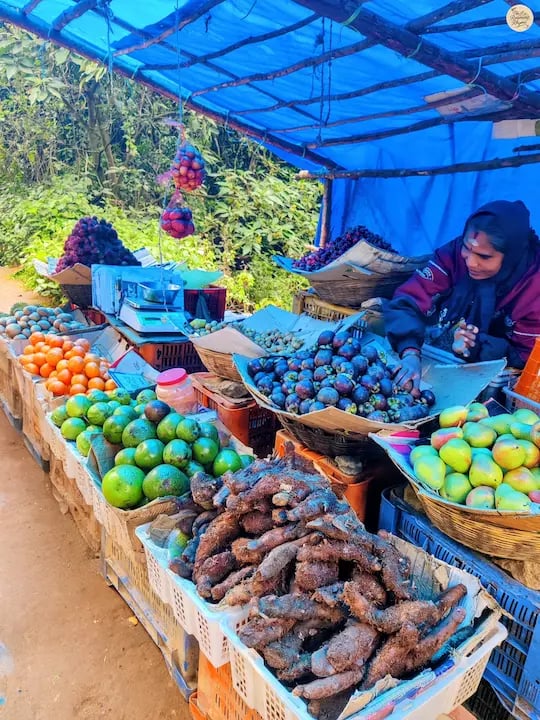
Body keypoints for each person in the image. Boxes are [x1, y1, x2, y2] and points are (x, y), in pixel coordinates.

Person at [384, 200, 540, 395]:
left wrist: (477, 346)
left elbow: (527, 357)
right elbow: (409, 298)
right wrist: (410, 352)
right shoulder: (454, 254)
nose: (471, 262)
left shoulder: (534, 288)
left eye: (484, 256)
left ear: (511, 256)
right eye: (467, 248)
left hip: (498, 379)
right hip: (443, 356)